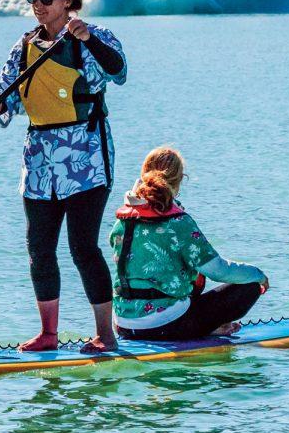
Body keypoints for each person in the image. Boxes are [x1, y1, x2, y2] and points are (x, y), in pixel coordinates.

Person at [0, 0, 127, 353]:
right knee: (39, 249)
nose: (37, 4)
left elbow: (119, 69)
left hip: (87, 160)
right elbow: (5, 88)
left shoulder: (97, 37)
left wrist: (87, 40)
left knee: (83, 248)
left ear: (67, 1)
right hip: (40, 163)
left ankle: (105, 335)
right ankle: (48, 333)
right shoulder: (25, 46)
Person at [109, 146, 269, 341]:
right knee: (249, 285)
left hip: (123, 325)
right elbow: (218, 270)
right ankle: (208, 328)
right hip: (168, 325)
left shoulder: (122, 221)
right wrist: (258, 275)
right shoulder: (179, 223)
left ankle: (208, 327)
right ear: (179, 181)